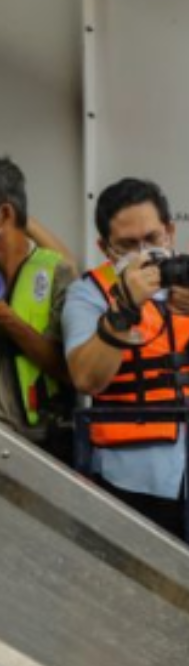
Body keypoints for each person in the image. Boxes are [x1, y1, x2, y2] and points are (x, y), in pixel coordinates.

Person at [62, 177, 189, 573]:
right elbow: (87, 379)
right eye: (127, 244)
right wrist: (123, 309)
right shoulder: (88, 293)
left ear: (171, 231)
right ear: (106, 248)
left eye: (152, 237)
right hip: (130, 485)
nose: (144, 252)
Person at [0, 156, 77, 460]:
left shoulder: (57, 272)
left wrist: (7, 319)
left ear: (5, 214)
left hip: (43, 448)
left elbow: (71, 372)